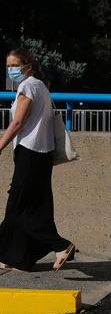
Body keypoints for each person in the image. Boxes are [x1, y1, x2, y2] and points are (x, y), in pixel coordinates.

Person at [0, 48, 75, 271]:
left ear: (27, 66)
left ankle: (61, 245)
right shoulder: (41, 86)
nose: (11, 70)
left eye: (14, 65)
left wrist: (0, 145)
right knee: (31, 206)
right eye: (8, 66)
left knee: (19, 208)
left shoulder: (27, 86)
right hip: (42, 154)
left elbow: (17, 123)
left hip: (29, 153)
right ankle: (16, 257)